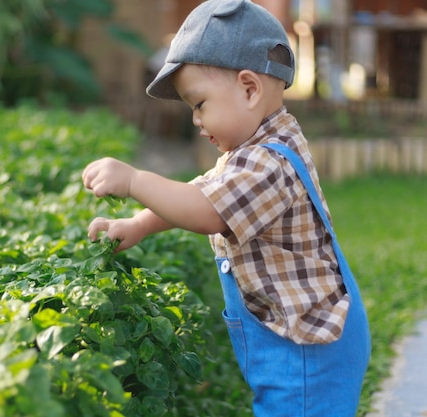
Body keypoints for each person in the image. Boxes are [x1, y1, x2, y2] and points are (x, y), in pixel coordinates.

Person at [81, 0, 371, 416]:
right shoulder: (255, 148)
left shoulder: (267, 164)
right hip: (295, 334)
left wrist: (134, 181)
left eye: (199, 104)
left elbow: (207, 211)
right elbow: (205, 190)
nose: (196, 121)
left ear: (250, 89)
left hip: (309, 349)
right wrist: (141, 224)